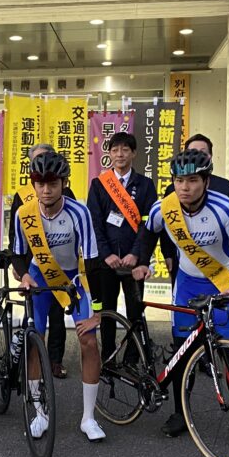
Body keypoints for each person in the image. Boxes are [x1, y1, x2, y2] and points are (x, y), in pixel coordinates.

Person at [133, 149, 229, 442]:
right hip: (187, 285)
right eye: (179, 181)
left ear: (206, 181)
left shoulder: (225, 208)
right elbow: (148, 232)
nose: (184, 187)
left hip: (222, 283)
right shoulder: (165, 208)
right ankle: (180, 413)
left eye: (192, 181)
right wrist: (141, 261)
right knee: (182, 352)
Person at [10, 151, 106, 442]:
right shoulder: (24, 214)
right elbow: (17, 254)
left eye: (52, 183)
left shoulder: (79, 212)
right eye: (40, 183)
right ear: (33, 184)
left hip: (74, 279)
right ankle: (40, 414)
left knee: (89, 341)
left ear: (64, 183)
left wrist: (97, 311)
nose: (46, 190)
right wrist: (24, 275)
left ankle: (88, 418)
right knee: (35, 341)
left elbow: (93, 261)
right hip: (39, 278)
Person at [86, 131, 157, 363]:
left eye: (125, 149)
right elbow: (94, 222)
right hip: (106, 263)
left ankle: (132, 358)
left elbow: (148, 225)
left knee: (135, 312)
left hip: (133, 262)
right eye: (115, 150)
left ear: (133, 153)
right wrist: (106, 254)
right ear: (109, 153)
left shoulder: (145, 185)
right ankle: (108, 357)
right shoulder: (99, 184)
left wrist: (136, 253)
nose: (120, 154)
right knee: (107, 311)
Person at [9, 143, 75, 378]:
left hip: (61, 266)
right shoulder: (22, 196)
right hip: (33, 263)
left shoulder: (66, 194)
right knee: (35, 318)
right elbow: (14, 235)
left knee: (57, 316)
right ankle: (32, 364)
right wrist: (19, 267)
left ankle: (55, 360)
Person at [159, 134, 229, 280]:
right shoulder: (172, 190)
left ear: (210, 157)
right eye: (192, 152)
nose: (185, 187)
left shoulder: (225, 187)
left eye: (202, 152)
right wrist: (167, 254)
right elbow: (165, 224)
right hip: (184, 260)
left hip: (219, 264)